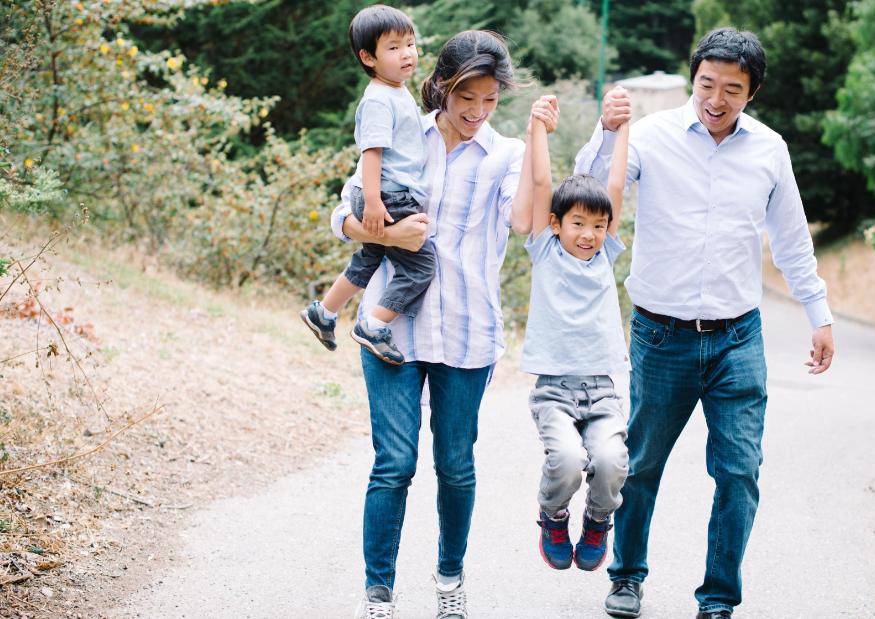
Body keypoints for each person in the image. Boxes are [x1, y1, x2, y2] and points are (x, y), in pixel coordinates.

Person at [575, 28, 837, 619]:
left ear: (753, 92)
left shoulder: (770, 150)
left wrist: (818, 314)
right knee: (639, 466)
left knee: (740, 472)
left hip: (737, 337)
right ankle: (626, 576)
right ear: (693, 80)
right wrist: (607, 130)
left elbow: (792, 243)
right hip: (661, 334)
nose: (716, 99)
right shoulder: (650, 136)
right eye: (706, 84)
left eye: (732, 89)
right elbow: (591, 193)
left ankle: (718, 599)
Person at [330, 30, 558, 619]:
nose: (478, 113)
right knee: (394, 464)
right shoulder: (404, 131)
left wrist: (537, 140)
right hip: (391, 330)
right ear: (443, 84)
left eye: (489, 101)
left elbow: (528, 222)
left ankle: (449, 579)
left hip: (467, 334)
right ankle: (378, 592)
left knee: (455, 466)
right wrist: (382, 232)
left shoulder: (505, 154)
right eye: (467, 98)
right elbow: (343, 213)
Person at [511, 94, 631, 572]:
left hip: (602, 390)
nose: (589, 234)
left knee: (610, 462)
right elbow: (542, 181)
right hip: (555, 391)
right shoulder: (544, 250)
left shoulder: (605, 254)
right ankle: (553, 514)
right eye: (578, 223)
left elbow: (616, 183)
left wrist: (622, 128)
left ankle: (598, 521)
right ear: (557, 224)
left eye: (598, 225)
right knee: (564, 459)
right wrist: (538, 126)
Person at [301, 4, 433, 366]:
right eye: (393, 47)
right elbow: (372, 153)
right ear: (368, 57)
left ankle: (324, 312)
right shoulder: (378, 99)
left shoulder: (395, 90)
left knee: (369, 256)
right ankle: (373, 326)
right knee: (421, 266)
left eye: (410, 43)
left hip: (381, 192)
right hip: (386, 194)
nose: (406, 53)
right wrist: (374, 202)